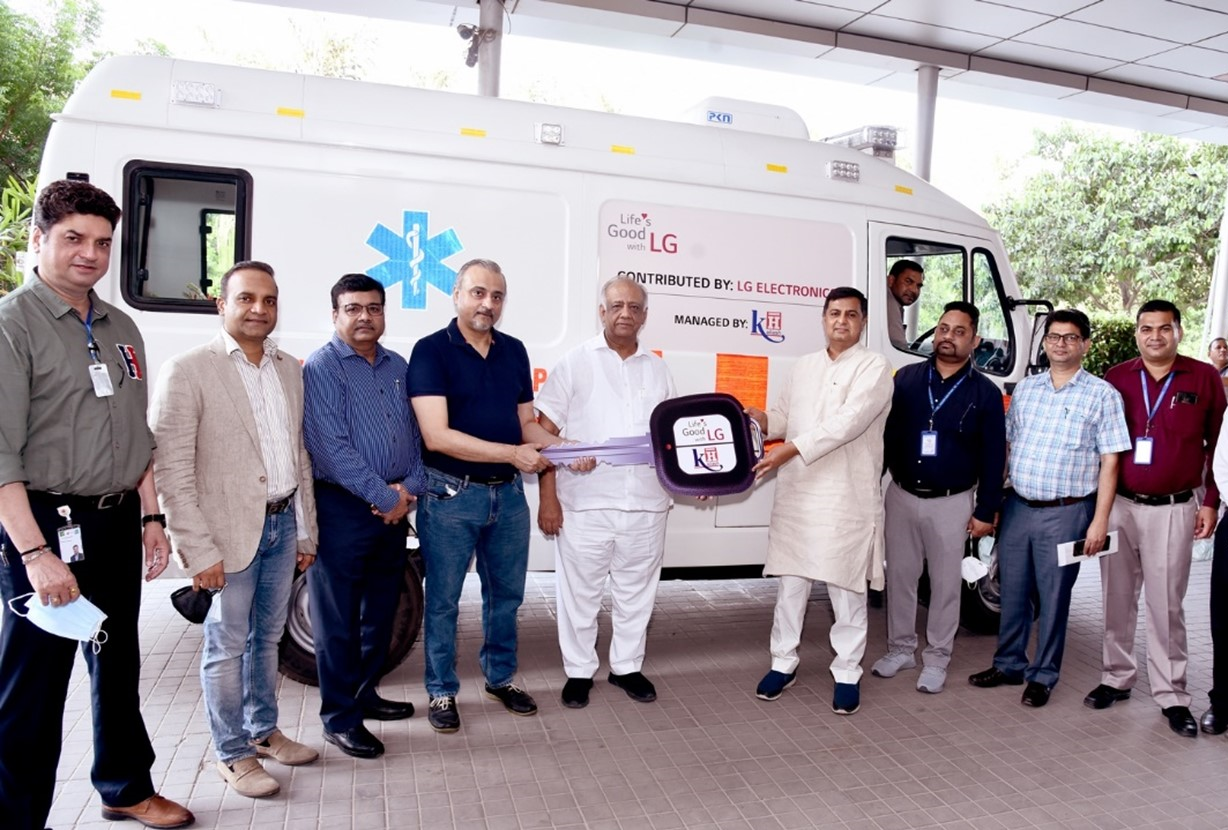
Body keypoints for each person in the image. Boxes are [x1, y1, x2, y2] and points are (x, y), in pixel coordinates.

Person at [0, 180, 193, 829]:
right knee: (32, 691)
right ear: (38, 239)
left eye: (102, 242)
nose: (89, 254)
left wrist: (151, 516)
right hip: (46, 527)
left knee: (118, 664)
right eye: (73, 238)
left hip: (114, 521)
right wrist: (33, 555)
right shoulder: (12, 325)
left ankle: (124, 786)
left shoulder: (121, 325)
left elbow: (137, 433)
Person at [149, 261, 320, 798]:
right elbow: (172, 469)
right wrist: (196, 549)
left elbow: (299, 453)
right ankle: (232, 754)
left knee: (266, 639)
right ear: (220, 305)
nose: (259, 310)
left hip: (280, 524)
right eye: (246, 299)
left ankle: (264, 732)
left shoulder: (288, 367)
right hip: (225, 537)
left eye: (268, 300)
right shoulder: (188, 370)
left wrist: (305, 530)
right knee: (226, 646)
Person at [408, 259, 558, 733]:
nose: (487, 304)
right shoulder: (431, 351)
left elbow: (526, 423)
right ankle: (441, 691)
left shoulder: (513, 351)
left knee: (506, 597)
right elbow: (436, 436)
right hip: (452, 496)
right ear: (456, 295)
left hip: (508, 498)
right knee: (445, 600)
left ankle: (500, 679)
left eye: (496, 296)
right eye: (477, 293)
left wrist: (569, 449)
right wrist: (515, 454)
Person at [969, 309, 1130, 707]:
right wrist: (994, 503)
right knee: (1012, 591)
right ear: (1044, 343)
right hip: (1019, 506)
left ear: (1085, 345)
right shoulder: (1026, 389)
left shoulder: (1103, 395)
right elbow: (1007, 447)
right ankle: (1009, 664)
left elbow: (1111, 461)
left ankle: (1043, 674)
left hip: (1067, 511)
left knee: (1054, 597)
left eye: (1071, 337)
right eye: (1054, 336)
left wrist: (1099, 521)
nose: (1061, 344)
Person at [749, 287, 894, 715]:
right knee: (791, 584)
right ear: (823, 318)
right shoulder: (803, 366)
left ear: (863, 321)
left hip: (845, 495)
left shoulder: (875, 367)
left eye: (851, 315)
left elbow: (847, 424)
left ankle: (848, 671)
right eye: (834, 313)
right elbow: (784, 417)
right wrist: (762, 419)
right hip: (798, 492)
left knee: (845, 587)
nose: (842, 321)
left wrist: (790, 448)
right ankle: (782, 662)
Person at [1084, 300, 1225, 737]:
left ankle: (1172, 694)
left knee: (1166, 604)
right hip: (1121, 505)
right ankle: (1117, 677)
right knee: (1117, 597)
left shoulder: (1203, 378)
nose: (1155, 337)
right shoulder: (1117, 378)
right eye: (1146, 329)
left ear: (1178, 332)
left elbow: (1221, 447)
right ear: (1136, 333)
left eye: (1164, 329)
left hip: (1174, 507)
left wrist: (1211, 501)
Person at [534, 277, 676, 709]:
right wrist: (549, 497)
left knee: (637, 593)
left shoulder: (658, 368)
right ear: (601, 311)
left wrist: (695, 479)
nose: (625, 314)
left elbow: (673, 439)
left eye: (634, 307)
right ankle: (579, 673)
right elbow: (542, 432)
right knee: (580, 595)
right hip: (586, 503)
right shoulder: (575, 362)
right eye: (616, 306)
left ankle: (626, 668)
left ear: (645, 315)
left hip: (647, 505)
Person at [303, 273, 426, 759]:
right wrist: (386, 494)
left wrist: (408, 489)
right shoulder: (322, 367)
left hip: (392, 507)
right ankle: (339, 718)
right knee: (337, 620)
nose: (364, 317)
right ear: (335, 315)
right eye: (353, 309)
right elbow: (329, 448)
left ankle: (365, 694)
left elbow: (417, 437)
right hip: (342, 508)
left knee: (381, 612)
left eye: (373, 308)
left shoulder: (398, 365)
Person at [872, 302, 1006, 694]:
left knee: (946, 584)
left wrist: (986, 510)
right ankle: (900, 649)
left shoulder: (985, 393)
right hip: (901, 494)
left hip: (953, 502)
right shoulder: (907, 379)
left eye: (959, 331)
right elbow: (885, 439)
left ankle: (937, 657)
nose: (948, 336)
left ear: (975, 340)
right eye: (943, 328)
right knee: (899, 577)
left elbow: (994, 455)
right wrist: (870, 489)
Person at [886, 259, 925, 349]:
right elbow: (899, 346)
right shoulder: (889, 304)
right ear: (891, 280)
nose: (914, 290)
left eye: (918, 286)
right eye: (908, 282)